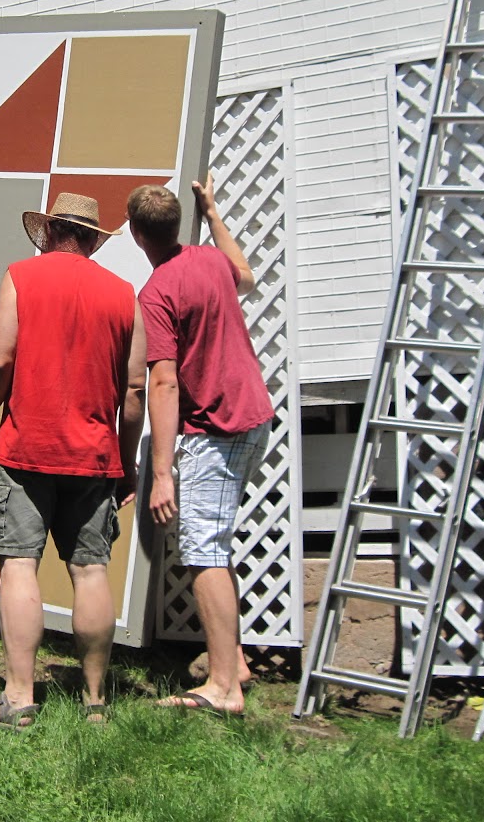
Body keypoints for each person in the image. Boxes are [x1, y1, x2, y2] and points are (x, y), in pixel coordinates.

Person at [0, 192, 146, 727]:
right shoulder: (123, 295)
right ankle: (95, 704)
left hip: (26, 450)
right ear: (91, 239)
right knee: (90, 572)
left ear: (49, 232)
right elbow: (134, 390)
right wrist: (126, 460)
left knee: (19, 565)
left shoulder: (21, 276)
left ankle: (18, 698)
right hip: (93, 458)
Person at [126, 180, 275, 718]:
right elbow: (250, 275)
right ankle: (231, 661)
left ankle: (222, 688)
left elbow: (162, 384)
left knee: (205, 549)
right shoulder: (211, 261)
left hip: (219, 426)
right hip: (250, 416)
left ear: (138, 234)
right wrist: (213, 212)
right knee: (213, 539)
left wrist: (160, 472)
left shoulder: (158, 291)